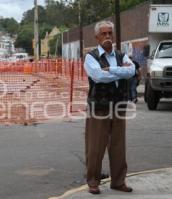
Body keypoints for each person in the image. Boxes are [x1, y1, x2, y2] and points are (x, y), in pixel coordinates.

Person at [84, 21, 135, 194]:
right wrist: (120, 70)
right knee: (95, 147)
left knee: (118, 146)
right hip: (99, 107)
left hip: (119, 106)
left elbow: (131, 72)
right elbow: (98, 76)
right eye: (104, 34)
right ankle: (93, 181)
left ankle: (118, 181)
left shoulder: (121, 55)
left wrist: (112, 69)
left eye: (110, 33)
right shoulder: (90, 57)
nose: (107, 37)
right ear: (97, 36)